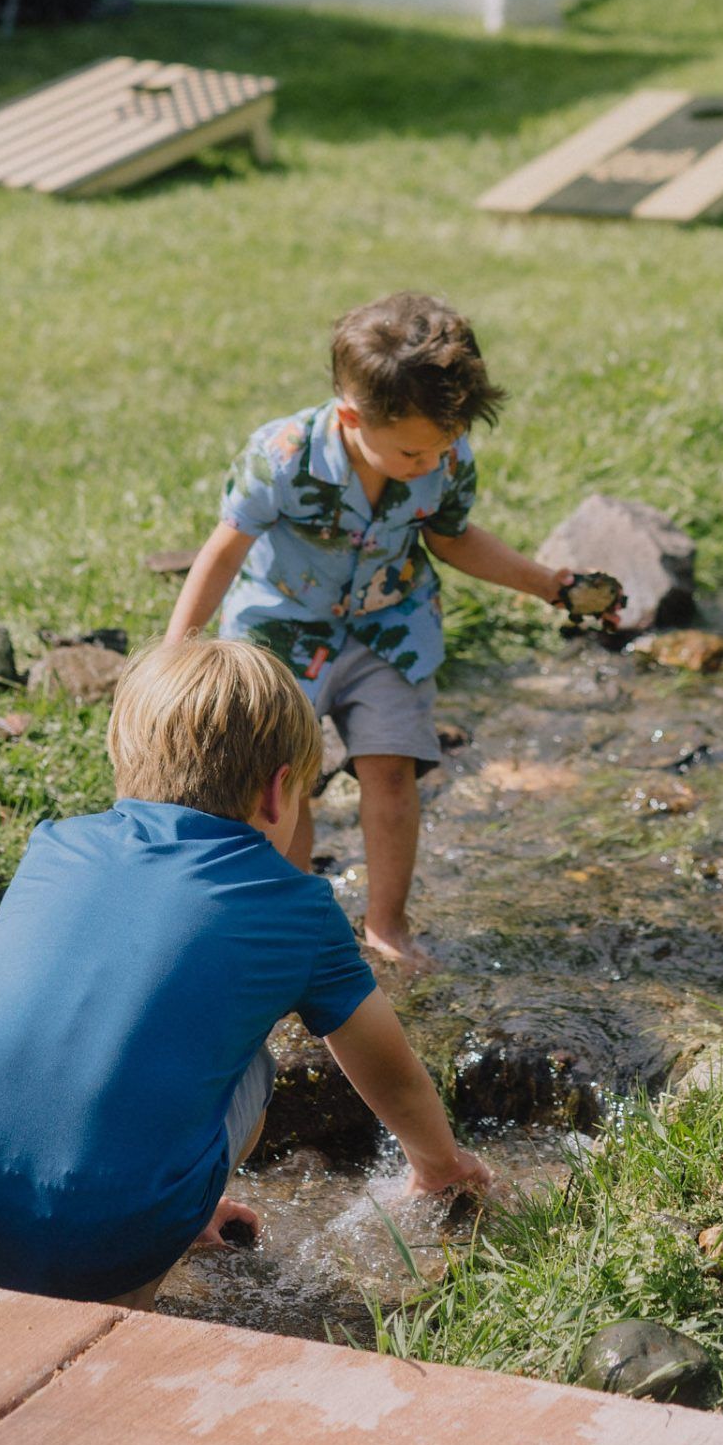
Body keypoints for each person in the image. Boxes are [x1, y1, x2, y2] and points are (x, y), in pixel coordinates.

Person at [0, 638, 490, 1305]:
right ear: (278, 793)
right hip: (112, 1242)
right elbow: (389, 1071)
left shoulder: (58, 843)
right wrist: (438, 1167)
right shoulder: (299, 907)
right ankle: (134, 1290)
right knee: (248, 1063)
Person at [163, 293, 606, 968]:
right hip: (281, 629)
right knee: (286, 784)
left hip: (388, 628)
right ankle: (297, 924)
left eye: (444, 447)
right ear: (351, 416)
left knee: (392, 770)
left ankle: (386, 926)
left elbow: (453, 540)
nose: (429, 464)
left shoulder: (443, 457)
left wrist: (548, 584)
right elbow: (224, 549)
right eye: (412, 451)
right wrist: (178, 651)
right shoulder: (283, 456)